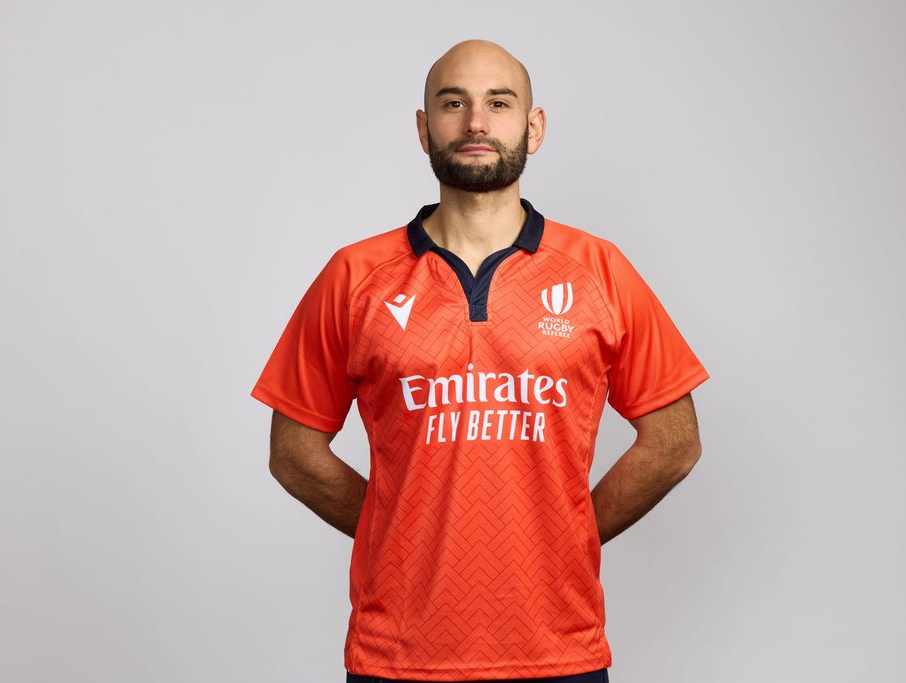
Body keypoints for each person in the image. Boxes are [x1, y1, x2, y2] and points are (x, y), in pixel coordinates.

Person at [251, 39, 709, 683]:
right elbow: (293, 452)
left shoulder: (600, 270)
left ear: (534, 127)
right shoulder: (355, 276)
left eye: (498, 103)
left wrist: (569, 533)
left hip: (558, 649)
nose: (475, 122)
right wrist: (395, 530)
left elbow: (674, 442)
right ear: (423, 128)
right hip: (398, 655)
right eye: (453, 103)